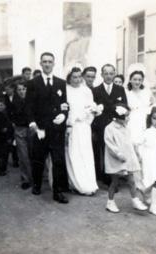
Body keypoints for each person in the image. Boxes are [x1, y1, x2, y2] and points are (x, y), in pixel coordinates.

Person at [25, 52, 69, 204]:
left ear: (54, 63)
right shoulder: (33, 83)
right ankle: (36, 184)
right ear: (40, 64)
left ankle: (58, 192)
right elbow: (29, 106)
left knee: (58, 160)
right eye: (44, 62)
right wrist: (33, 124)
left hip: (56, 130)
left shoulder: (61, 83)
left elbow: (65, 104)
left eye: (50, 61)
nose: (47, 64)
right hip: (41, 129)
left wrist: (64, 115)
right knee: (38, 159)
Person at [104, 103, 148, 213]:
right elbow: (110, 145)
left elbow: (129, 143)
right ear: (118, 117)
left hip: (127, 160)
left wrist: (135, 153)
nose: (128, 118)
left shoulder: (126, 128)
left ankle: (135, 200)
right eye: (126, 116)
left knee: (131, 180)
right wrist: (118, 154)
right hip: (116, 160)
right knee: (115, 182)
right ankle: (110, 202)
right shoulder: (110, 128)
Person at [65, 67, 100, 195]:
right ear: (69, 78)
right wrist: (68, 124)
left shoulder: (86, 91)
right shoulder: (66, 90)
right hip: (72, 127)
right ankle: (76, 183)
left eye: (80, 76)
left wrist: (90, 114)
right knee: (73, 154)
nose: (78, 79)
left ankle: (88, 184)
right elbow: (65, 109)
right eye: (74, 77)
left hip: (84, 126)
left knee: (86, 154)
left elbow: (91, 107)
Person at [92, 64, 127, 186]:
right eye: (105, 73)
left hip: (115, 126)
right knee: (102, 151)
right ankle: (104, 176)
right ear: (101, 75)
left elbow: (124, 106)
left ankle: (115, 176)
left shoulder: (120, 89)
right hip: (101, 126)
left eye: (111, 73)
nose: (108, 76)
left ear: (114, 74)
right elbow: (93, 110)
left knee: (115, 150)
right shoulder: (95, 90)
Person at [11, 81, 33, 189]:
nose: (21, 91)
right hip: (20, 129)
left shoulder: (32, 101)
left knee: (33, 153)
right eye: (19, 89)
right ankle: (25, 179)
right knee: (23, 155)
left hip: (32, 129)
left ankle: (37, 177)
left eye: (23, 89)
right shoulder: (14, 102)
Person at [125, 68, 152, 144]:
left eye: (140, 80)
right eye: (135, 79)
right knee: (132, 141)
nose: (137, 82)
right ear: (130, 80)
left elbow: (152, 105)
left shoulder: (146, 92)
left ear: (142, 81)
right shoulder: (127, 93)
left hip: (144, 119)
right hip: (132, 120)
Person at [4, 80, 19, 168]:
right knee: (9, 141)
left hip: (17, 123)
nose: (7, 91)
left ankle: (16, 160)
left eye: (9, 89)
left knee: (16, 142)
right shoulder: (4, 97)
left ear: (13, 89)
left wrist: (15, 122)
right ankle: (13, 159)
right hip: (8, 123)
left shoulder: (18, 97)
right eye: (6, 89)